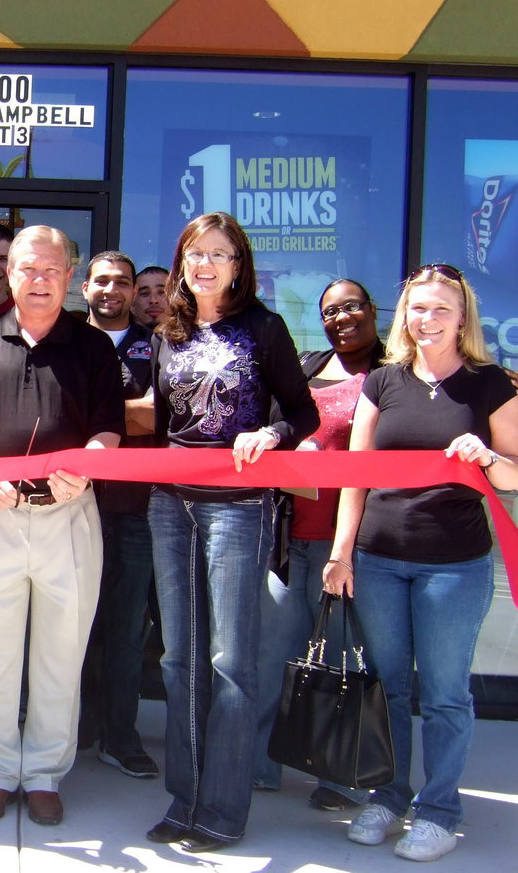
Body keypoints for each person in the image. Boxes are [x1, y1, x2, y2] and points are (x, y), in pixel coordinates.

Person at [323, 263, 518, 862]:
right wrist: (341, 551)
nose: (425, 319)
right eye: (416, 308)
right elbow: (355, 476)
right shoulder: (382, 382)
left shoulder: (491, 385)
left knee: (444, 693)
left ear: (462, 319)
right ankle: (390, 793)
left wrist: (484, 456)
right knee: (388, 689)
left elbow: (514, 476)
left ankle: (438, 809)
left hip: (453, 566)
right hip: (380, 559)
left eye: (439, 309)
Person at [145, 212, 318, 853]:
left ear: (239, 265)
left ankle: (222, 809)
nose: (207, 264)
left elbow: (299, 410)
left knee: (230, 664)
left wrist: (271, 433)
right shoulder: (169, 332)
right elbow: (165, 424)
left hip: (238, 509)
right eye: (196, 252)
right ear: (183, 261)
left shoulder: (264, 329)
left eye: (220, 253)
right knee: (178, 658)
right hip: (170, 507)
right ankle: (184, 800)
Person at [0, 225, 125, 827]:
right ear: (6, 275)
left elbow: (108, 427)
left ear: (69, 277)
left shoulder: (95, 349)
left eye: (52, 269)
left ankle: (45, 772)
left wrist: (89, 467)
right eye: (28, 268)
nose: (39, 279)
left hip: (68, 515)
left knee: (61, 651)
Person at [252, 278, 385, 809]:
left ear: (373, 311)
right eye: (331, 311)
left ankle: (339, 775)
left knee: (341, 657)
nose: (341, 318)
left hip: (352, 545)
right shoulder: (308, 365)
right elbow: (280, 420)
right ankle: (261, 763)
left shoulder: (392, 376)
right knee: (271, 653)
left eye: (352, 307)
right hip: (292, 540)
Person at [77, 250, 159, 779]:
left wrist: (91, 415)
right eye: (102, 280)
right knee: (69, 627)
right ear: (83, 287)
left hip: (136, 509)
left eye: (122, 282)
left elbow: (163, 414)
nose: (113, 289)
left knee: (127, 632)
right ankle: (72, 727)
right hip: (70, 504)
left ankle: (120, 736)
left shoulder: (161, 344)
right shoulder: (66, 339)